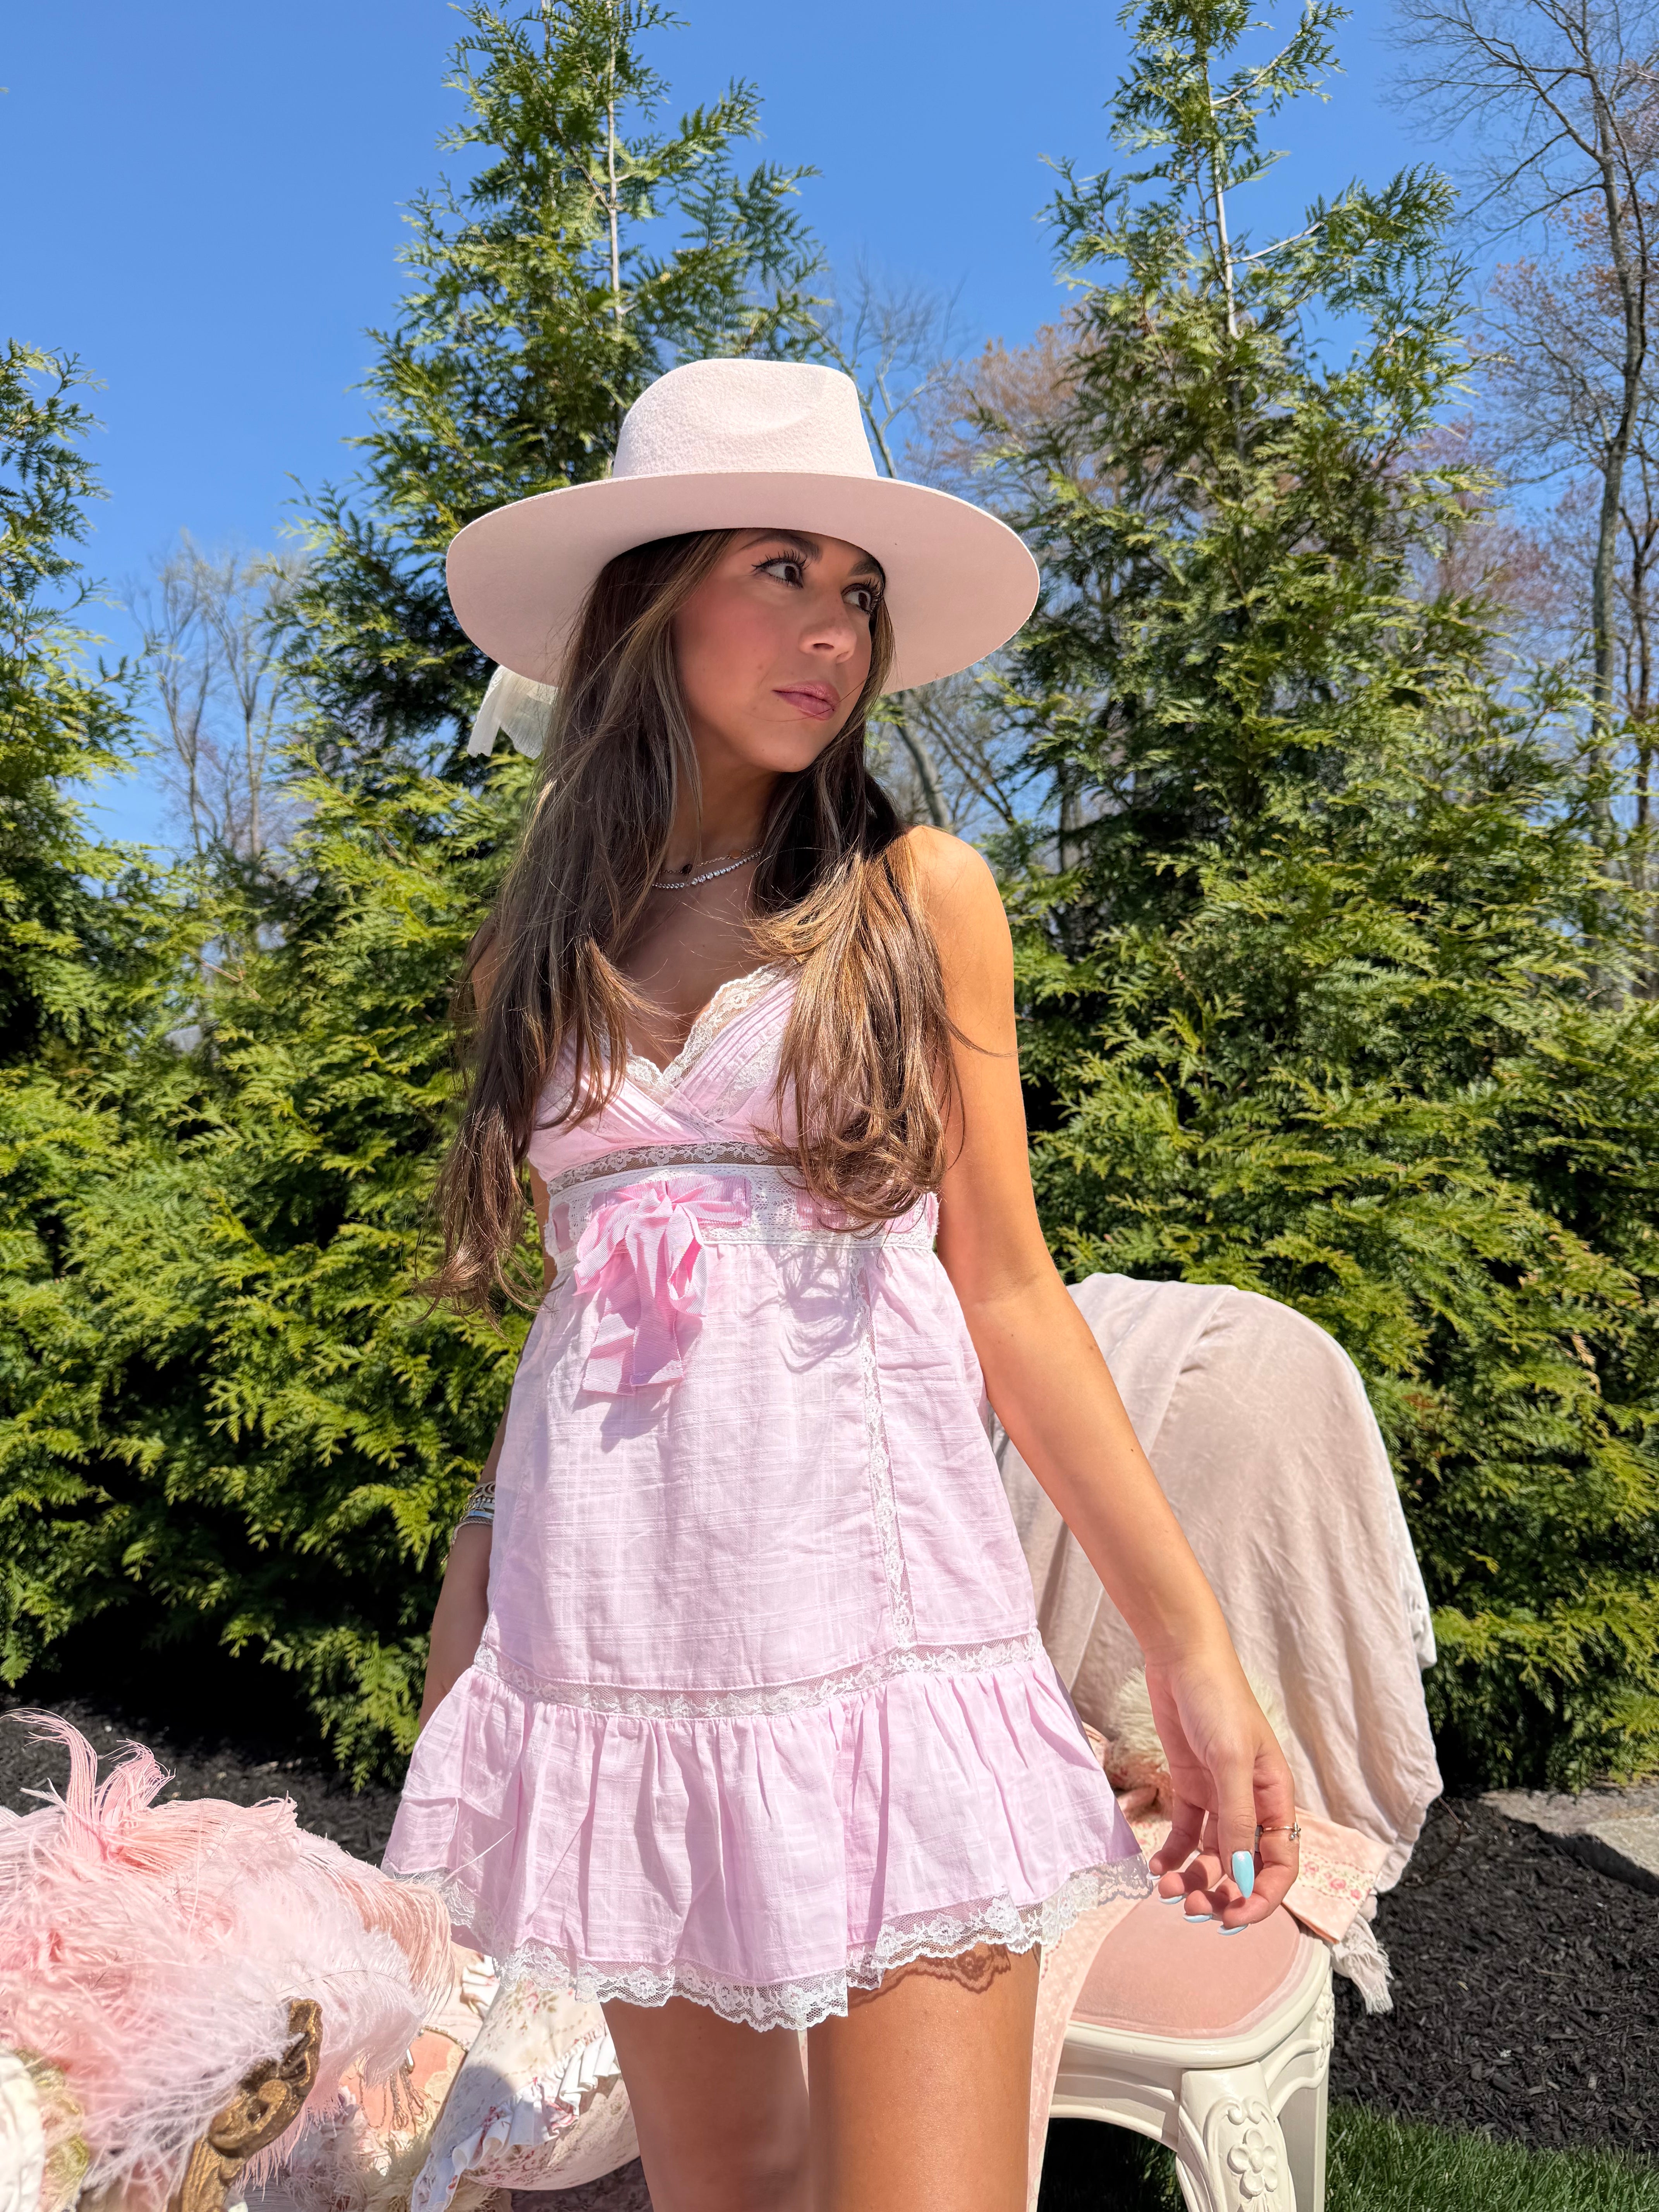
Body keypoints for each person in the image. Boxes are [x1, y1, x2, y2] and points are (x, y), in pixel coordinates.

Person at [383, 358, 1300, 2212]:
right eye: (783, 570)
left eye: (858, 592)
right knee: (724, 2192)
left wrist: (1193, 1654)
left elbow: (1010, 1294)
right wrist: (476, 1590)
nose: (834, 633)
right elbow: (578, 1320)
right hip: (629, 1666)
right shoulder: (539, 949)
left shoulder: (914, 897)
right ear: (651, 602)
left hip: (884, 1668)